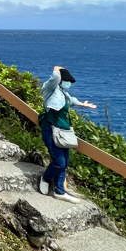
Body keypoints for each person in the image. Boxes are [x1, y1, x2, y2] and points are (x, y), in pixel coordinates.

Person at [38, 66, 96, 203]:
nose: (68, 83)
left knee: (64, 163)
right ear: (61, 80)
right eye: (67, 80)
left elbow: (71, 101)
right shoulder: (50, 89)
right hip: (51, 130)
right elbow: (56, 77)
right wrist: (57, 68)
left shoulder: (63, 93)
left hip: (64, 132)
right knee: (59, 162)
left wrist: (84, 104)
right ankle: (45, 179)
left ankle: (60, 191)